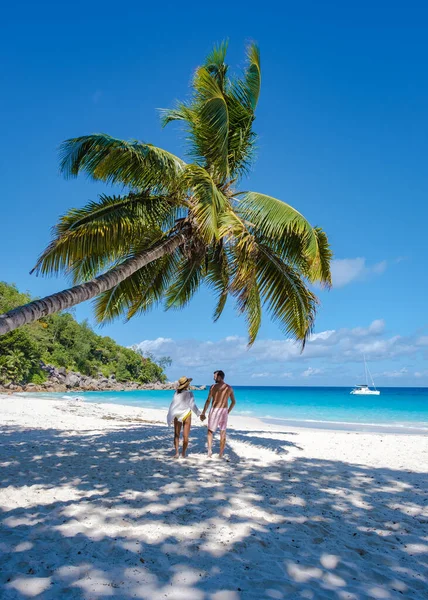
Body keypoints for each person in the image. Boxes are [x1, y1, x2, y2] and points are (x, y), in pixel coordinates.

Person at [200, 370, 236, 458]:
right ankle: (221, 453)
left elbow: (208, 400)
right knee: (223, 432)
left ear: (219, 377)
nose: (213, 378)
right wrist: (227, 411)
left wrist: (203, 412)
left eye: (215, 376)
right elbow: (233, 402)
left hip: (215, 410)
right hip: (224, 411)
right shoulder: (229, 388)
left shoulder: (213, 387)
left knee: (210, 431)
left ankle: (209, 451)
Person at [167, 376, 202, 458]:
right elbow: (192, 405)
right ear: (187, 384)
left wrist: (171, 415)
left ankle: (177, 453)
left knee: (177, 435)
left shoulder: (176, 393)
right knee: (185, 436)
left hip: (178, 414)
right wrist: (199, 414)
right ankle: (183, 453)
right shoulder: (189, 393)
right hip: (186, 414)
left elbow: (173, 405)